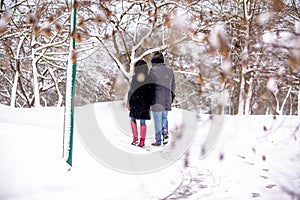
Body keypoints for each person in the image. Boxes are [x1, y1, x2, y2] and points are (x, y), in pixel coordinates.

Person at [127, 60, 155, 147]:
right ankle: (142, 141)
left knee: (132, 119)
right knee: (143, 122)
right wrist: (151, 102)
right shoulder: (150, 77)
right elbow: (152, 92)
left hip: (135, 101)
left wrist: (129, 102)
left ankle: (135, 138)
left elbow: (131, 91)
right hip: (145, 103)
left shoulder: (135, 78)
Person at [150, 52, 175, 146]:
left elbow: (150, 86)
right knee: (165, 117)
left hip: (156, 99)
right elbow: (173, 86)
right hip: (167, 98)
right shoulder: (170, 70)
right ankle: (165, 133)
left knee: (157, 120)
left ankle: (158, 140)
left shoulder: (153, 70)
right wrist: (171, 97)